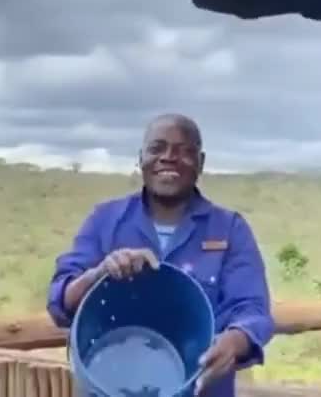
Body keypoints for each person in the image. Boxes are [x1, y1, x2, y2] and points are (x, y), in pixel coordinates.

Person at [46, 113, 274, 396]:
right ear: (141, 158)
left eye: (184, 151)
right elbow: (60, 300)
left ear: (201, 163)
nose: (169, 157)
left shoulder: (230, 230)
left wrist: (234, 341)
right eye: (157, 148)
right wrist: (99, 274)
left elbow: (253, 311)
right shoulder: (104, 220)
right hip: (108, 385)